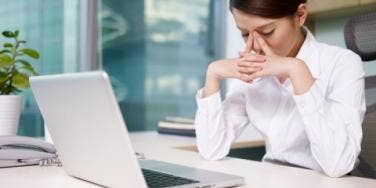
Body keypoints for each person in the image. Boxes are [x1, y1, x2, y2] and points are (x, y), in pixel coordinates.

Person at [194, 0, 365, 178]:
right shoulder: (251, 69)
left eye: (268, 32)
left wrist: (296, 69)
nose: (255, 46)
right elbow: (211, 150)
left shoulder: (342, 63)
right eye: (244, 34)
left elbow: (338, 165)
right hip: (271, 179)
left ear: (300, 16)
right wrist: (212, 75)